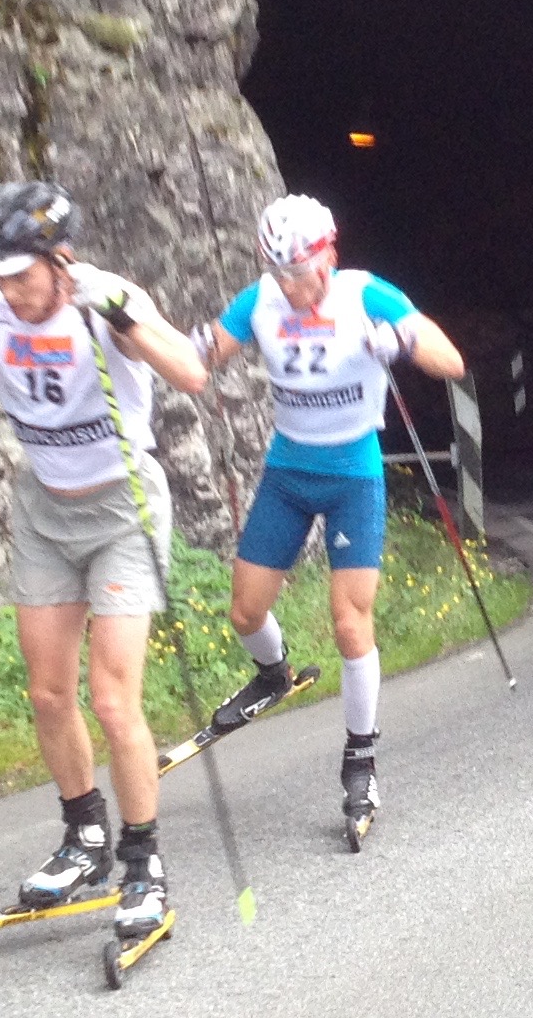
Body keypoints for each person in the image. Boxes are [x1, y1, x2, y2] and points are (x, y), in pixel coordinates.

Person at [0, 181, 210, 940]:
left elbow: (190, 373)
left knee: (114, 699)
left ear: (63, 261)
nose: (11, 292)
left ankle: (143, 862)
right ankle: (85, 836)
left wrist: (121, 318)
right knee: (49, 695)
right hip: (46, 510)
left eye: (24, 275)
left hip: (125, 509)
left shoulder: (105, 297)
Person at [197, 193, 468, 839]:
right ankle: (273, 672)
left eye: (302, 274)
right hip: (288, 474)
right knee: (244, 611)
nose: (292, 289)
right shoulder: (260, 301)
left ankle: (361, 760)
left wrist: (400, 338)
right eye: (280, 275)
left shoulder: (364, 294)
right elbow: (206, 351)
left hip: (353, 476)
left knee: (350, 623)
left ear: (329, 257)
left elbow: (450, 359)